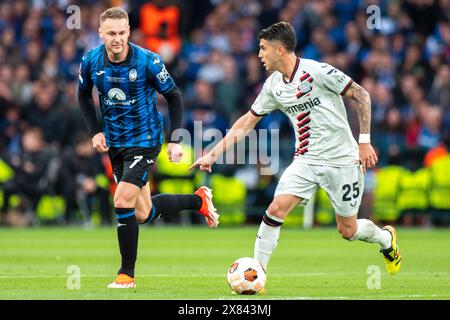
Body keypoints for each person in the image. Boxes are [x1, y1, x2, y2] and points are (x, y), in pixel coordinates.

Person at [190, 22, 401, 278]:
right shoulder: (273, 86)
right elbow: (247, 121)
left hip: (343, 160)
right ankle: (257, 273)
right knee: (275, 209)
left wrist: (364, 141)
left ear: (280, 50)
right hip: (306, 160)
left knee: (348, 230)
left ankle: (385, 238)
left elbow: (361, 94)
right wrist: (213, 153)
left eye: (263, 49)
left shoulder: (317, 71)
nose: (259, 55)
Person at [78, 7, 219, 289]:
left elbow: (174, 96)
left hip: (145, 141)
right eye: (111, 34)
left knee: (120, 201)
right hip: (115, 144)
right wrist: (94, 132)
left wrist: (175, 139)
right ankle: (198, 201)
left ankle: (126, 274)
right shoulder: (91, 60)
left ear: (129, 31)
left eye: (122, 33)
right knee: (142, 213)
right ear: (101, 33)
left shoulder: (148, 61)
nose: (117, 39)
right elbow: (83, 95)